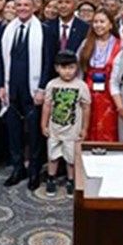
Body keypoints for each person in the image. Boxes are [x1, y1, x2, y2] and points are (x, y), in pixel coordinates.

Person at [0, 0, 47, 190]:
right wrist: (2, 84)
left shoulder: (44, 30)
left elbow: (48, 62)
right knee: (13, 132)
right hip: (12, 89)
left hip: (33, 90)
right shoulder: (8, 30)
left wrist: (42, 88)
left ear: (34, 7)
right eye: (18, 5)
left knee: (34, 133)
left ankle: (34, 170)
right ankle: (18, 168)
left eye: (27, 5)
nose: (22, 9)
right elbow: (1, 61)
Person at [40, 50, 91, 198]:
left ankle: (71, 180)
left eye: (71, 68)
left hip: (72, 131)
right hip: (54, 129)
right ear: (57, 68)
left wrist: (84, 128)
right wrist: (43, 125)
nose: (67, 72)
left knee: (71, 158)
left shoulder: (81, 86)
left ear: (76, 67)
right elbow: (47, 105)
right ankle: (51, 179)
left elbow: (87, 107)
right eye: (64, 68)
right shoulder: (52, 85)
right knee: (53, 156)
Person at [78, 9, 122, 142]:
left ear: (110, 25)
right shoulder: (86, 43)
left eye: (102, 22)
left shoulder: (121, 44)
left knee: (108, 128)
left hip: (111, 94)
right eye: (95, 22)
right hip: (89, 93)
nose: (98, 25)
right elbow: (79, 69)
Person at [42, 0, 89, 86]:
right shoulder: (46, 27)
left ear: (75, 5)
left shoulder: (85, 28)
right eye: (60, 2)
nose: (63, 6)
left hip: (76, 81)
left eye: (67, 2)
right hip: (51, 80)